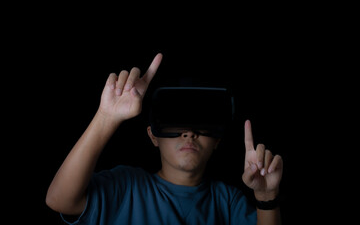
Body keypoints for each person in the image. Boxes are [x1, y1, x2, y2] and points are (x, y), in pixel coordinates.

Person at [46, 53, 283, 225]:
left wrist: (266, 197)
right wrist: (106, 117)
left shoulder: (228, 202)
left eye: (201, 124)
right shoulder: (127, 186)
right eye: (175, 122)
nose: (189, 133)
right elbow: (60, 200)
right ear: (153, 136)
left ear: (217, 141)